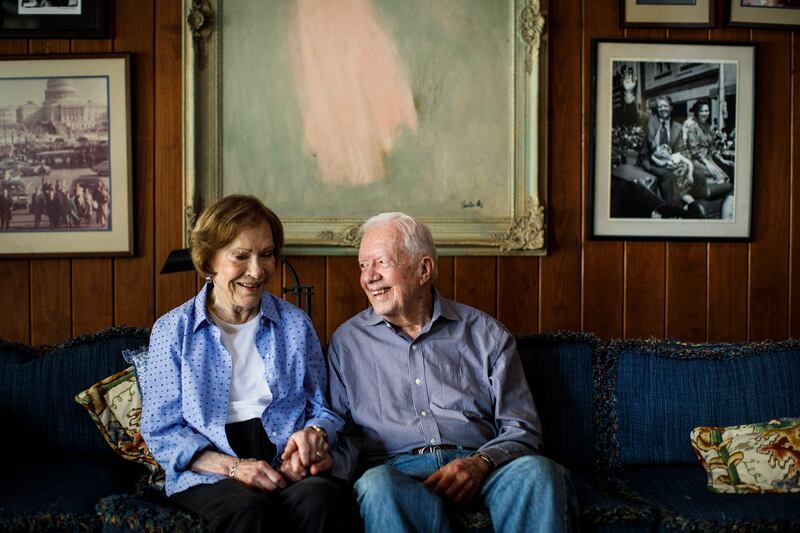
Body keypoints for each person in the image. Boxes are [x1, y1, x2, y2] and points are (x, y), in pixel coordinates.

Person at [327, 212, 577, 533]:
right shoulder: (347, 342)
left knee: (540, 473)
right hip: (395, 471)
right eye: (363, 265)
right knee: (376, 485)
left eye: (381, 262)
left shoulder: (486, 334)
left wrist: (480, 463)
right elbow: (341, 431)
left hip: (483, 465)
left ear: (423, 269)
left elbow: (522, 428)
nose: (369, 277)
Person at [140, 194, 346, 533]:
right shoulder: (173, 331)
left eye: (266, 255)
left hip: (284, 465)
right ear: (209, 261)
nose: (256, 270)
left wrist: (312, 436)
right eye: (241, 256)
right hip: (210, 473)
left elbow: (322, 408)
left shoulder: (295, 325)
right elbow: (162, 432)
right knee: (247, 509)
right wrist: (234, 469)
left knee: (321, 498)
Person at [639, 95, 684, 207]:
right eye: (659, 107)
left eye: (665, 106)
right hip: (651, 161)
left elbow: (678, 150)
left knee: (687, 172)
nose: (662, 109)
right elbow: (636, 114)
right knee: (668, 175)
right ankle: (672, 210)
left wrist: (675, 163)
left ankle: (690, 204)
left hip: (670, 162)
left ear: (671, 107)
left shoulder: (678, 127)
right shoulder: (651, 121)